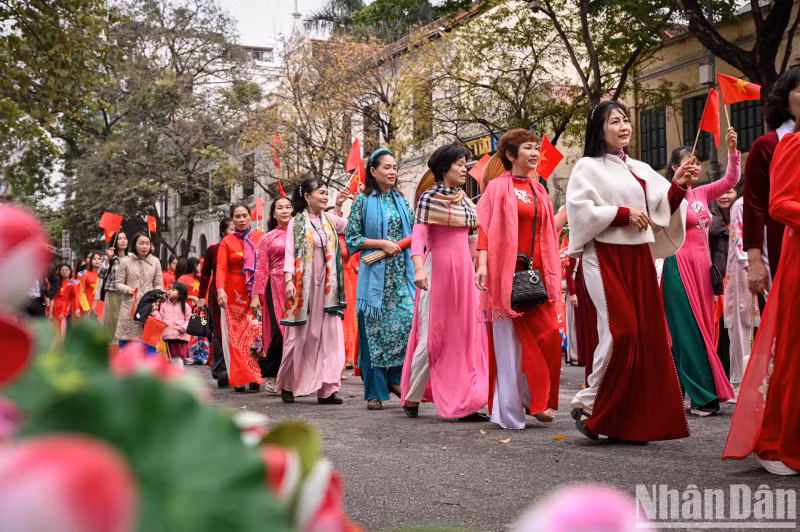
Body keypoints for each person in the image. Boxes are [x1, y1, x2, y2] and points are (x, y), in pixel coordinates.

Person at [566, 101, 693, 443]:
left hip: (637, 258)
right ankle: (591, 402)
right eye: (614, 121)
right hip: (604, 256)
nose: (624, 126)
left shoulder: (639, 167)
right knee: (622, 332)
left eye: (625, 120)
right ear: (599, 129)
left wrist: (678, 185)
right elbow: (579, 213)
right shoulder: (586, 168)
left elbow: (661, 208)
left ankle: (629, 418)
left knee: (646, 335)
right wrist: (620, 214)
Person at [723, 125, 800, 476]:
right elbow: (774, 205)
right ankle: (775, 432)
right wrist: (754, 263)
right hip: (756, 266)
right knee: (777, 346)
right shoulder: (789, 145)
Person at [474, 129, 562, 429]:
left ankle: (537, 399)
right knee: (512, 343)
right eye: (528, 148)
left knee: (549, 334)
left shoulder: (538, 188)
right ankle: (518, 406)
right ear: (511, 155)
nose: (535, 153)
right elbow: (485, 228)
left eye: (536, 147)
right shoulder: (498, 188)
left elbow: (548, 230)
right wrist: (483, 265)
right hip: (507, 274)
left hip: (536, 277)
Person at [401, 143, 488, 420]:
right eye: (460, 164)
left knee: (466, 337)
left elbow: (473, 241)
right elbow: (419, 237)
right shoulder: (428, 198)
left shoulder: (466, 201)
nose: (465, 169)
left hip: (464, 274)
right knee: (432, 338)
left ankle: (467, 399)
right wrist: (418, 269)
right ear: (443, 168)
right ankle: (412, 396)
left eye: (466, 163)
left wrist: (483, 267)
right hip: (436, 271)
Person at [662, 128, 740, 417]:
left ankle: (702, 392)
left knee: (707, 330)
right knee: (688, 332)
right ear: (674, 167)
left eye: (697, 161)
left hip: (703, 269)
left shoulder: (703, 192)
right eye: (687, 162)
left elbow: (732, 180)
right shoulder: (668, 194)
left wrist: (732, 150)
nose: (694, 166)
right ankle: (703, 396)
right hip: (678, 266)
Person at [345, 148, 415, 410]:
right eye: (387, 167)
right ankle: (375, 391)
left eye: (395, 166)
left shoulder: (401, 200)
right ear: (373, 171)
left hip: (401, 275)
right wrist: (382, 244)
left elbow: (415, 232)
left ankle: (396, 380)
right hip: (375, 278)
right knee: (374, 334)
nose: (393, 171)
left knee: (406, 326)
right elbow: (352, 238)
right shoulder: (362, 201)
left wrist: (402, 244)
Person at [276, 179, 349, 404]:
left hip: (328, 288)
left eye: (327, 193)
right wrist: (288, 281)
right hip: (303, 288)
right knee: (300, 336)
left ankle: (327, 389)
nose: (325, 196)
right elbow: (290, 254)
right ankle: (288, 384)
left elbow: (353, 225)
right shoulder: (296, 223)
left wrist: (345, 202)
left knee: (329, 335)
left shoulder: (330, 220)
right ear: (307, 196)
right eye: (321, 193)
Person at [743, 66, 799, 295]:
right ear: (784, 99)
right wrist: (755, 262)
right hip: (783, 242)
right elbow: (754, 205)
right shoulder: (767, 145)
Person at [216, 203, 266, 392]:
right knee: (237, 336)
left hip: (256, 291)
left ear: (250, 217)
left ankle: (255, 375)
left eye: (245, 215)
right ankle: (240, 377)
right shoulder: (227, 241)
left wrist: (260, 291)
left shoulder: (260, 237)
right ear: (232, 219)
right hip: (234, 293)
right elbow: (221, 268)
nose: (242, 219)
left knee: (256, 334)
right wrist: (220, 290)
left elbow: (263, 266)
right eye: (237, 216)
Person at [725, 195, 763, 397]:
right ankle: (738, 382)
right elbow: (737, 240)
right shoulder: (741, 205)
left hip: (763, 266)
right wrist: (752, 267)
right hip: (744, 269)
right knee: (741, 326)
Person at [254, 197, 293, 392]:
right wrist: (256, 295)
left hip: (298, 286)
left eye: (288, 207)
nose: (285, 210)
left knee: (296, 333)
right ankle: (272, 372)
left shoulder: (301, 235)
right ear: (274, 213)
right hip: (275, 285)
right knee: (278, 332)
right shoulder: (267, 238)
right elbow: (261, 268)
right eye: (280, 207)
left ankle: (294, 375)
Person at [198, 217, 234, 387]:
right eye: (231, 229)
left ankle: (239, 369)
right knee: (219, 331)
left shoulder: (245, 246)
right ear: (222, 232)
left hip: (238, 294)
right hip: (217, 294)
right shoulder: (214, 249)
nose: (235, 231)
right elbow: (205, 274)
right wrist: (200, 297)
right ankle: (221, 369)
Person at [709, 181, 739, 379]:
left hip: (739, 282)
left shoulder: (741, 220)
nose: (724, 196)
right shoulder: (711, 223)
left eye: (729, 191)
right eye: (720, 192)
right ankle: (724, 377)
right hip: (718, 286)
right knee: (720, 334)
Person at [115, 232, 163, 350]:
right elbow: (118, 283)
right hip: (130, 305)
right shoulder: (125, 262)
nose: (145, 246)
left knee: (149, 341)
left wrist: (157, 299)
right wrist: (127, 289)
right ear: (135, 245)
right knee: (128, 342)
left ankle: (148, 367)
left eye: (147, 243)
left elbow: (158, 283)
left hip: (149, 306)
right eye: (141, 243)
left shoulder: (155, 261)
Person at [95, 232, 129, 337]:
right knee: (111, 324)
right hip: (112, 295)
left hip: (128, 295)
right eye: (119, 239)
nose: (123, 240)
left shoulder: (132, 258)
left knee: (126, 323)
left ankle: (125, 348)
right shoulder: (110, 258)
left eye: (125, 238)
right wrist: (108, 258)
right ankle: (112, 348)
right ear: (114, 242)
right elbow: (100, 274)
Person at [152, 281, 192, 365]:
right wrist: (155, 310)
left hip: (181, 335)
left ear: (180, 294)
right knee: (174, 357)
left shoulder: (185, 306)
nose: (169, 291)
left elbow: (189, 319)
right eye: (169, 289)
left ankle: (177, 373)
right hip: (170, 336)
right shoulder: (164, 306)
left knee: (180, 356)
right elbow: (160, 320)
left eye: (173, 290)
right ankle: (178, 373)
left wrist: (183, 328)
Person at [50, 264, 74, 335]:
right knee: (56, 330)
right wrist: (50, 313)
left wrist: (67, 309)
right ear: (59, 272)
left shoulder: (74, 282)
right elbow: (52, 298)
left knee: (65, 330)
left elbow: (73, 297)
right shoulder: (56, 283)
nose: (65, 272)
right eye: (62, 270)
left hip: (67, 309)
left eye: (67, 270)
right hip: (56, 309)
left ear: (70, 271)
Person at [77, 252, 102, 319]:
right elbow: (81, 292)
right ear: (90, 261)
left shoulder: (105, 274)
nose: (97, 261)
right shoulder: (85, 274)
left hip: (103, 306)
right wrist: (86, 307)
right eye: (94, 259)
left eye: (99, 259)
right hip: (89, 306)